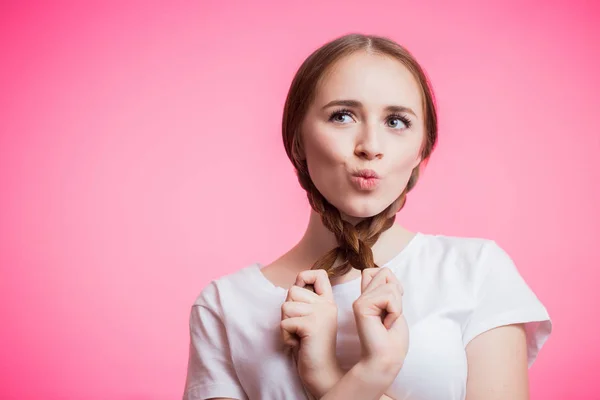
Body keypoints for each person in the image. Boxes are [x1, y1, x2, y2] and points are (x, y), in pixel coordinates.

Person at [182, 33, 552, 400]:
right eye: (342, 116)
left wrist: (333, 375)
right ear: (297, 137)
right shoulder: (227, 306)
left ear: (422, 147)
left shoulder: (476, 272)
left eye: (396, 122)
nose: (371, 147)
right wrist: (370, 373)